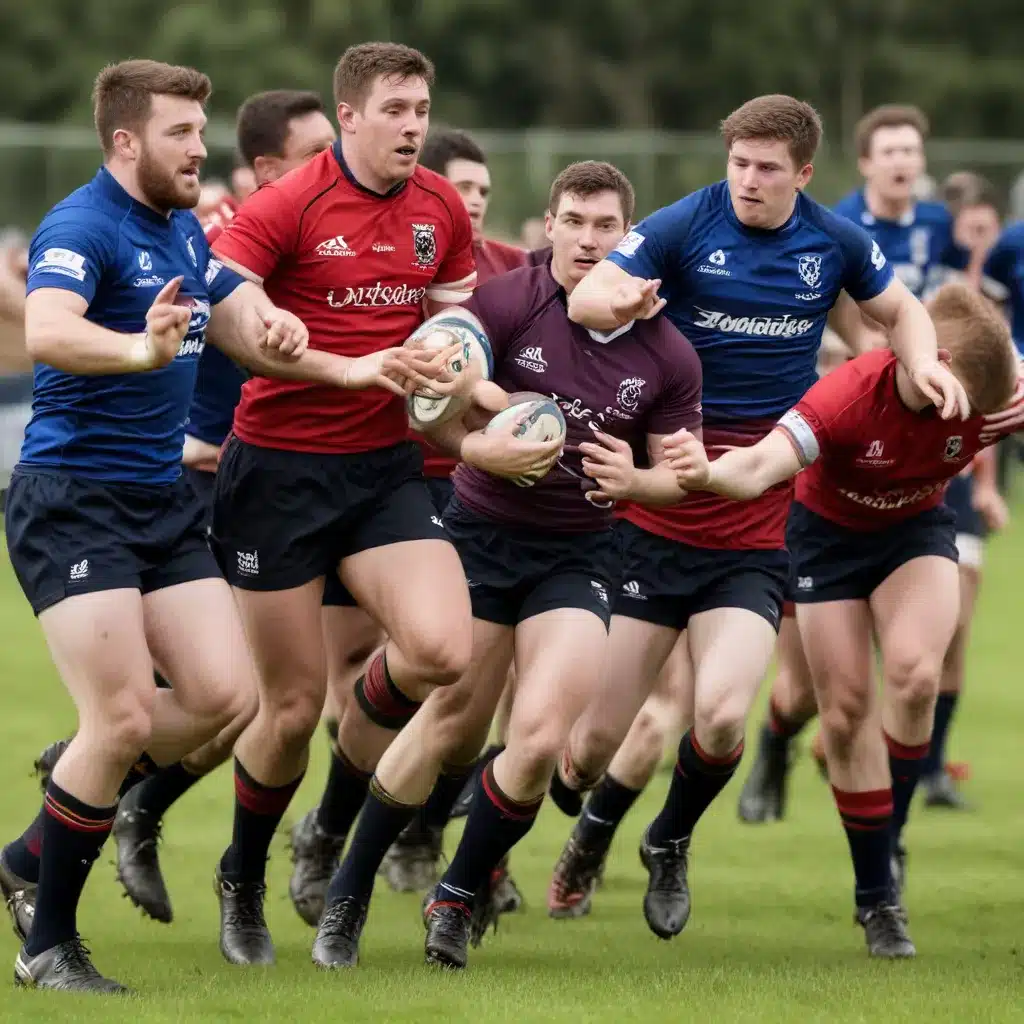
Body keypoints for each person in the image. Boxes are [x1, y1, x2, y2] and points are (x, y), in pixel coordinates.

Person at [549, 93, 968, 946]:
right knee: (592, 742)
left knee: (718, 713)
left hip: (763, 491)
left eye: (767, 167)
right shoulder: (682, 223)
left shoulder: (833, 241)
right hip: (659, 478)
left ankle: (670, 840)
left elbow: (902, 312)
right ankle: (582, 831)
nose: (748, 179)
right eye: (738, 162)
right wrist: (622, 303)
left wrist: (920, 362)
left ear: (804, 173)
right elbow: (587, 298)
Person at [303, 159, 702, 971]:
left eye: (607, 227)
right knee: (450, 724)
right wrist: (475, 442)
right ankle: (346, 893)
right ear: (547, 227)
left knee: (540, 734)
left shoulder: (669, 353)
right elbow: (436, 397)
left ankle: (456, 894)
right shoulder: (509, 303)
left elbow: (674, 476)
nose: (590, 241)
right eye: (576, 222)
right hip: (481, 539)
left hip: (583, 554)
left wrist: (642, 482)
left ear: (630, 238)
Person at [0, 58, 313, 994]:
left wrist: (338, 358)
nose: (199, 148)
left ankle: (28, 849)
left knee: (226, 699)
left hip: (160, 503)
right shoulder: (81, 223)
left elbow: (244, 322)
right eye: (180, 133)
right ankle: (47, 945)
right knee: (127, 715)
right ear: (126, 140)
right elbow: (50, 330)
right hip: (73, 499)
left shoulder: (181, 229)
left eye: (200, 132)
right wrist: (141, 347)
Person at [207, 42, 478, 967]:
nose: (413, 125)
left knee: (443, 648)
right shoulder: (290, 203)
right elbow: (232, 307)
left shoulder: (440, 208)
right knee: (284, 711)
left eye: (422, 107)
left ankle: (328, 821)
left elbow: (455, 334)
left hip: (381, 469)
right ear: (351, 116)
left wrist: (487, 412)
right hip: (277, 475)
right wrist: (278, 330)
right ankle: (242, 879)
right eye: (396, 108)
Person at [666, 281, 1018, 957]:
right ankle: (874, 897)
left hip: (915, 531)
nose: (971, 420)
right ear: (932, 362)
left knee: (915, 676)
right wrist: (706, 474)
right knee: (845, 706)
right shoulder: (848, 399)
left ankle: (888, 859)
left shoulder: (995, 389)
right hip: (826, 542)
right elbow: (766, 462)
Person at [108, 89, 340, 926]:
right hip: (207, 485)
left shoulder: (330, 234)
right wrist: (175, 443)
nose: (336, 164)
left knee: (264, 699)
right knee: (221, 695)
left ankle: (134, 797)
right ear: (271, 170)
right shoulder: (214, 238)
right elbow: (142, 343)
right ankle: (114, 791)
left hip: (294, 479)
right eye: (319, 150)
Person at [369, 127, 532, 897]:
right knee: (368, 675)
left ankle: (439, 831)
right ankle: (361, 820)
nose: (471, 204)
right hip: (393, 483)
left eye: (483, 192)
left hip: (482, 492)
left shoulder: (509, 272)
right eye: (458, 189)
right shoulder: (390, 264)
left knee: (472, 689)